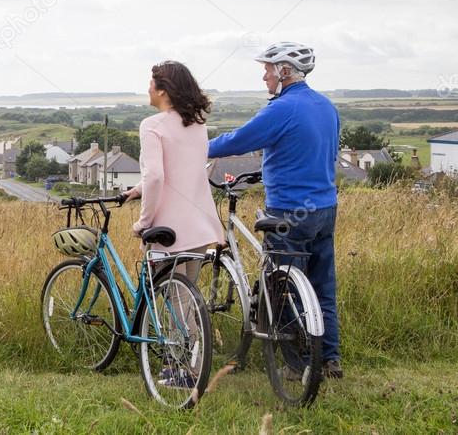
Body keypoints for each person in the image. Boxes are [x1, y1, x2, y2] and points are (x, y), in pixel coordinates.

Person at [207, 41, 343, 379]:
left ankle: (298, 366)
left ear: (285, 71)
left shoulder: (282, 109)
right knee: (321, 287)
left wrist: (196, 147)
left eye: (268, 69)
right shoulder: (327, 107)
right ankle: (329, 360)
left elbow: (238, 140)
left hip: (289, 212)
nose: (264, 75)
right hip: (324, 208)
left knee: (281, 288)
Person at [121, 61, 225, 387]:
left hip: (168, 230)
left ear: (162, 89)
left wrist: (144, 221)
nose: (148, 89)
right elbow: (182, 173)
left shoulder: (152, 125)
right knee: (185, 297)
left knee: (175, 301)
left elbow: (156, 176)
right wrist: (136, 190)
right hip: (199, 225)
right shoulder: (197, 126)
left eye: (151, 83)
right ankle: (182, 365)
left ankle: (187, 373)